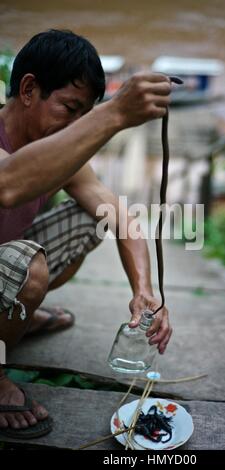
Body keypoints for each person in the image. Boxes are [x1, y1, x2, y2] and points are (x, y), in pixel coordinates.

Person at [0, 29, 173, 438]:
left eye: (85, 114)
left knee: (89, 219)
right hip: (13, 262)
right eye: (69, 109)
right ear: (28, 89)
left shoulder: (59, 147)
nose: (76, 127)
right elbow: (8, 184)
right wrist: (111, 114)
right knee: (29, 267)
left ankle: (15, 319)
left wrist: (146, 291)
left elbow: (120, 217)